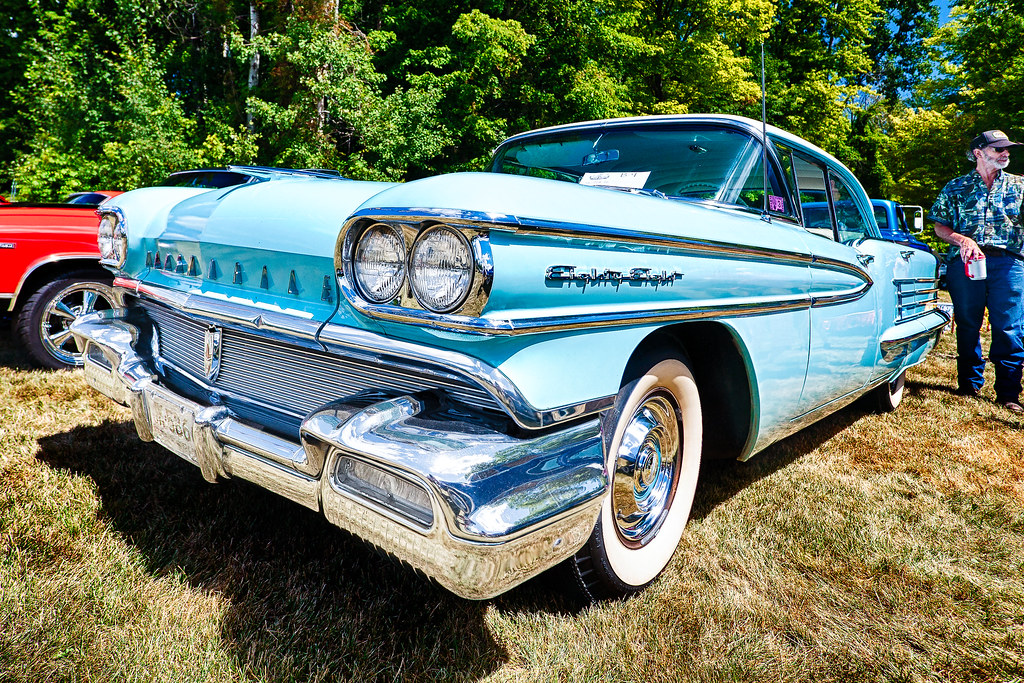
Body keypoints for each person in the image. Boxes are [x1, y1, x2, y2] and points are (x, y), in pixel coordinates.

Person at [930, 129, 1024, 413]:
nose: (1005, 153)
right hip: (966, 262)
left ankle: (1008, 393)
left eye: (1007, 149)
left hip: (1008, 263)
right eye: (998, 149)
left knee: (1009, 326)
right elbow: (939, 226)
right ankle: (969, 384)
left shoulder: (1020, 186)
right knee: (968, 324)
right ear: (978, 153)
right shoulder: (956, 187)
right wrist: (962, 239)